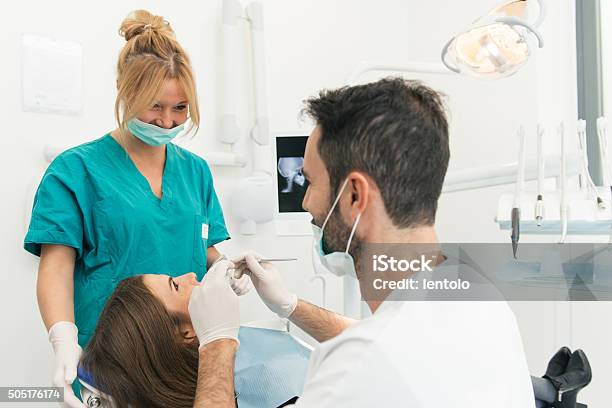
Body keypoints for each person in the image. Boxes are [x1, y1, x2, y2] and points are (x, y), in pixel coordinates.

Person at [188, 77, 536, 407]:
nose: (306, 202)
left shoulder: (357, 371)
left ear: (355, 195)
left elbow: (374, 350)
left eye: (310, 183)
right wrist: (289, 305)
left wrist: (217, 343)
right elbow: (390, 338)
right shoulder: (478, 297)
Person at [23, 10, 248, 406]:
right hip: (114, 364)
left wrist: (227, 268)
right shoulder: (75, 171)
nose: (166, 122)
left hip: (184, 366)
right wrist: (62, 338)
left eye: (180, 109)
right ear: (123, 90)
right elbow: (56, 265)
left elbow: (201, 247)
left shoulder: (195, 171)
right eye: (155, 106)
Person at [79, 265, 308, 408]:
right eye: (175, 286)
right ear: (186, 333)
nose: (190, 275)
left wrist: (290, 306)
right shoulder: (266, 384)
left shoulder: (238, 340)